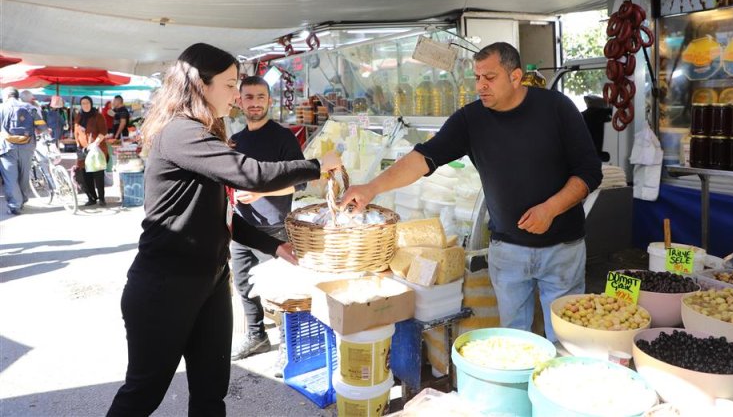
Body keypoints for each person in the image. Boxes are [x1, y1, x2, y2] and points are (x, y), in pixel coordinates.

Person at [107, 43, 340, 417]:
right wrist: (316, 166)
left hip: (210, 283)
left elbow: (220, 216)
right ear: (201, 84)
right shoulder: (181, 133)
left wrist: (274, 246)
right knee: (143, 395)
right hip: (165, 286)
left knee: (211, 392)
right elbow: (252, 174)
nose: (236, 96)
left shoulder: (204, 133)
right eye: (231, 85)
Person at [341, 42, 602, 341]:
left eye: (489, 78)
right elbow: (422, 159)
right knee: (514, 340)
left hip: (562, 250)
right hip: (508, 250)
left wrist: (551, 209)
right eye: (477, 78)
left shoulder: (557, 108)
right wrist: (372, 187)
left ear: (515, 77)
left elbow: (589, 172)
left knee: (566, 338)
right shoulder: (471, 119)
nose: (480, 86)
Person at [228, 76, 305, 367]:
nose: (255, 102)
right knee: (244, 284)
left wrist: (261, 191)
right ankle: (257, 336)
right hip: (241, 225)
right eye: (249, 97)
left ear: (269, 101)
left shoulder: (283, 137)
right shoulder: (236, 140)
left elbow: (298, 184)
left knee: (281, 290)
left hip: (273, 225)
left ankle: (289, 349)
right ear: (240, 101)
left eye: (261, 97)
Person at [0, 87, 44, 215]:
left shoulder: (1, 108)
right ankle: (23, 199)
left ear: (6, 96)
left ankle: (15, 205)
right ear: (17, 95)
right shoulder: (29, 107)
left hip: (6, 147)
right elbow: (41, 126)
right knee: (24, 175)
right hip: (27, 146)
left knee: (10, 177)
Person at [74, 96, 109, 207]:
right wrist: (78, 144)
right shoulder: (79, 116)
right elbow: (77, 132)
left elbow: (103, 132)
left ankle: (102, 198)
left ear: (91, 103)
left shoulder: (98, 116)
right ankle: (91, 198)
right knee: (85, 175)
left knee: (98, 174)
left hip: (96, 149)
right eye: (83, 103)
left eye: (87, 102)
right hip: (82, 150)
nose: (85, 105)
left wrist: (94, 144)